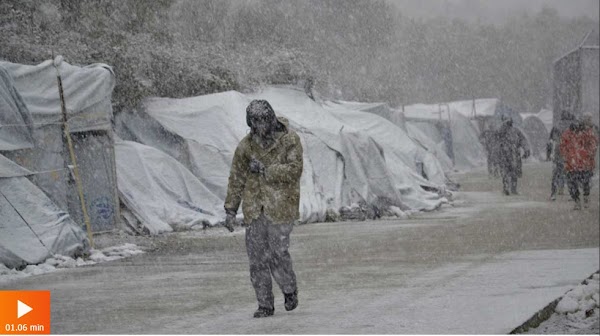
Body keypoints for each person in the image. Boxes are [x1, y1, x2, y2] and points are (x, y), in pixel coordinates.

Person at [223, 99, 303, 318]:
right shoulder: (246, 147)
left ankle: (289, 289)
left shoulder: (289, 140)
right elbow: (236, 178)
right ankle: (265, 304)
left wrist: (267, 169)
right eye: (254, 121)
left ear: (271, 119)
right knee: (257, 259)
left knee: (278, 253)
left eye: (263, 120)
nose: (259, 126)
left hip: (281, 207)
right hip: (254, 209)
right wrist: (231, 209)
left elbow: (294, 170)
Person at [560, 115, 599, 210]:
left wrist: (588, 153)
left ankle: (583, 198)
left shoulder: (586, 133)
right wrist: (567, 155)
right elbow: (562, 146)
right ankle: (578, 200)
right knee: (573, 184)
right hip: (575, 164)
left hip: (582, 164)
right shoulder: (569, 134)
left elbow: (593, 144)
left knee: (583, 183)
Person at [496, 117, 530, 195]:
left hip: (509, 154)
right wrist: (526, 149)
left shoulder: (513, 131)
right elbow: (523, 140)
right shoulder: (504, 131)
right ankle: (509, 188)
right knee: (510, 172)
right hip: (510, 154)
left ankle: (508, 188)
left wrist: (526, 149)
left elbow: (523, 140)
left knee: (508, 172)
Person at [547, 111, 574, 200]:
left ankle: (553, 193)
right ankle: (571, 193)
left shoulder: (557, 125)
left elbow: (550, 141)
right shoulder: (573, 125)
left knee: (556, 173)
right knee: (570, 174)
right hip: (570, 152)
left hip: (558, 151)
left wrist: (549, 154)